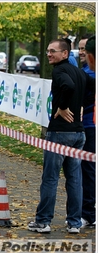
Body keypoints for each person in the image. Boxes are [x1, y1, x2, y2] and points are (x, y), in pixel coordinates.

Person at [28, 38, 95, 234]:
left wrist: (63, 107)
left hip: (60, 133)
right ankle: (74, 223)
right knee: (74, 179)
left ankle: (43, 221)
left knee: (50, 177)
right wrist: (83, 104)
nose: (49, 54)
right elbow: (92, 86)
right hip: (78, 133)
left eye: (53, 51)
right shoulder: (80, 72)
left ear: (65, 54)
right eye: (48, 51)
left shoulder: (59, 71)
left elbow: (68, 87)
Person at [78, 34, 96, 229]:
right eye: (80, 48)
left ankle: (88, 213)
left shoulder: (88, 75)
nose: (82, 52)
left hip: (90, 126)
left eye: (85, 49)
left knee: (88, 170)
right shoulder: (84, 71)